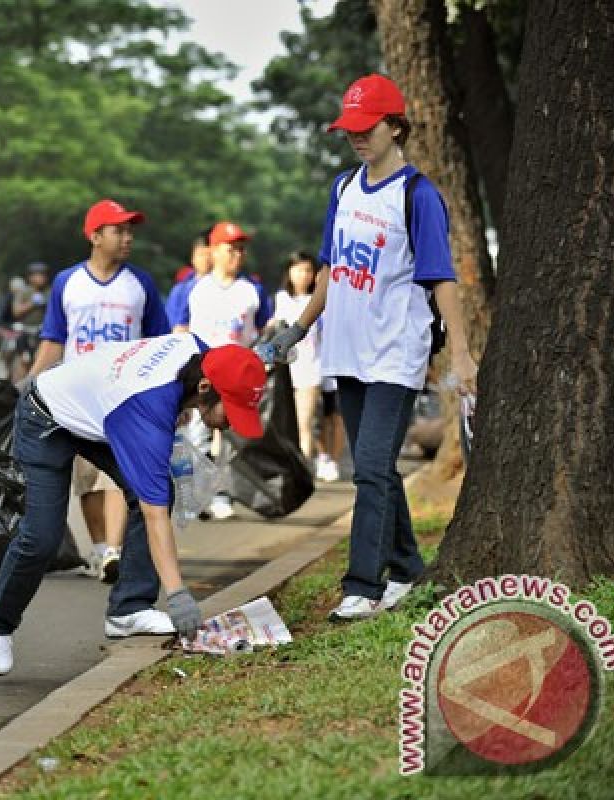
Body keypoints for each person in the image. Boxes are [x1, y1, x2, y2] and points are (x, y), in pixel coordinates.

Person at [267, 74, 478, 621]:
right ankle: (408, 567)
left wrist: (461, 354)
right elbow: (332, 271)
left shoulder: (418, 195)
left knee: (371, 470)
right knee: (375, 467)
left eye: (366, 128)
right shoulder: (342, 189)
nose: (357, 138)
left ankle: (364, 584)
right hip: (346, 349)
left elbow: (442, 278)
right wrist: (299, 327)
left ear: (396, 126)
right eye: (349, 130)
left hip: (395, 353)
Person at [0, 335, 269, 675]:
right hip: (45, 418)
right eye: (231, 411)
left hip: (102, 410)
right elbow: (153, 514)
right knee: (42, 536)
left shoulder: (200, 350)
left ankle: (128, 609)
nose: (233, 423)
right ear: (204, 387)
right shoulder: (147, 412)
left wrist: (267, 353)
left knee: (160, 490)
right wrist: (177, 595)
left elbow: (234, 364)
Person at [25, 199, 172, 582]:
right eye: (118, 231)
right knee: (86, 478)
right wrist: (32, 383)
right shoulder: (67, 283)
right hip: (78, 399)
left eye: (130, 231)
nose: (127, 238)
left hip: (126, 399)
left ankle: (114, 550)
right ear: (94, 236)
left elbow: (160, 341)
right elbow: (54, 338)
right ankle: (98, 550)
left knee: (118, 474)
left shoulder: (140, 284)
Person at [174, 221, 270, 519]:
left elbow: (262, 330)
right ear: (213, 251)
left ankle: (223, 494)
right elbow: (179, 330)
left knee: (230, 440)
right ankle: (197, 497)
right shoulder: (192, 289)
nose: (237, 255)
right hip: (201, 377)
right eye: (231, 249)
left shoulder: (252, 290)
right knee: (196, 435)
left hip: (237, 379)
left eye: (241, 250)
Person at [269, 251, 324, 464]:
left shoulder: (318, 300)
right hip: (284, 371)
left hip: (311, 370)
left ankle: (302, 469)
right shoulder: (281, 298)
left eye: (308, 270)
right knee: (283, 424)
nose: (304, 275)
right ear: (289, 272)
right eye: (299, 269)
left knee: (304, 424)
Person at [6, 261, 51, 382]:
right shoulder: (24, 291)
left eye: (43, 275)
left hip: (42, 330)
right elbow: (16, 311)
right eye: (38, 275)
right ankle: (12, 377)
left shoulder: (50, 292)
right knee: (11, 351)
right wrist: (32, 303)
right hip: (24, 329)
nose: (41, 278)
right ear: (30, 277)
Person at [164, 233, 212, 329]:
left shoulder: (225, 288)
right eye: (201, 255)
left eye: (209, 255)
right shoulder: (180, 290)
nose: (205, 259)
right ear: (193, 259)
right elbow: (170, 323)